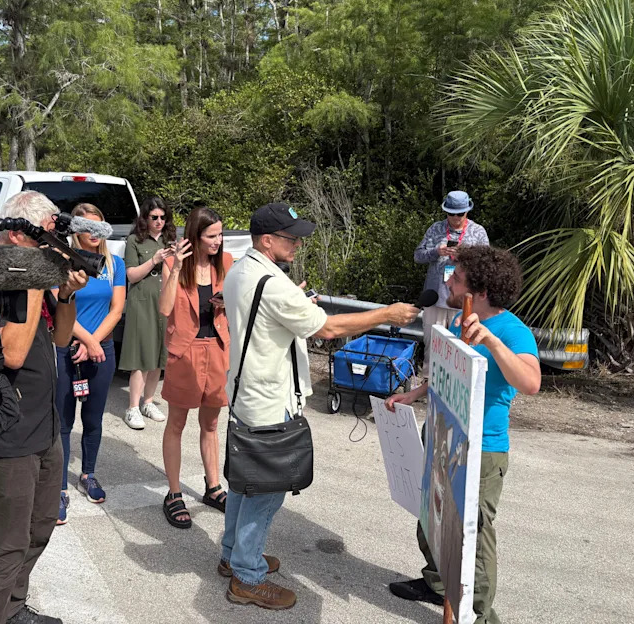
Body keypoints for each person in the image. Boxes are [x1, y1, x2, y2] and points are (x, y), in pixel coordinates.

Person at [221, 202, 419, 610]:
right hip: (269, 400)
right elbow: (328, 328)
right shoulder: (271, 283)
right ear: (267, 240)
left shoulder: (242, 271)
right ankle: (246, 575)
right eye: (290, 238)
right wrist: (387, 314)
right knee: (266, 490)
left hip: (246, 393)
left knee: (245, 481)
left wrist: (294, 300)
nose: (297, 243)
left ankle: (233, 555)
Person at [386, 246, 540, 624]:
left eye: (455, 277)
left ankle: (478, 614)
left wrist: (490, 341)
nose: (447, 281)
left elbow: (531, 382)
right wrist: (416, 393)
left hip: (482, 450)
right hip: (442, 434)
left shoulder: (512, 331)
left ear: (481, 292)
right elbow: (444, 371)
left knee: (474, 537)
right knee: (432, 517)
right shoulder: (458, 320)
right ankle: (438, 583)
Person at [0, 191, 88, 624]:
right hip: (9, 428)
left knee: (39, 529)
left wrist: (67, 294)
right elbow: (14, 355)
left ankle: (14, 610)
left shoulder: (30, 270)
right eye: (49, 231)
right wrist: (41, 276)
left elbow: (59, 341)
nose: (55, 238)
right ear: (23, 232)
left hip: (44, 422)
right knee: (7, 545)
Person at [158, 206, 234, 528]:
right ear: (195, 236)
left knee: (212, 424)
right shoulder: (172, 263)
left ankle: (213, 487)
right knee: (177, 423)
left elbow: (239, 305)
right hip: (184, 351)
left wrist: (227, 301)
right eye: (211, 236)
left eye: (220, 235)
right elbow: (164, 309)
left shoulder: (227, 264)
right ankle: (174, 493)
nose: (218, 242)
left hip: (217, 348)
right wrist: (175, 268)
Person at [54, 203, 125, 523]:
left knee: (94, 419)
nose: (94, 235)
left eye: (99, 228)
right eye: (87, 227)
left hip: (101, 352)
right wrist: (87, 340)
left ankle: (88, 474)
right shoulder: (61, 262)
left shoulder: (115, 264)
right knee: (63, 422)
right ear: (75, 230)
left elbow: (116, 309)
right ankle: (58, 488)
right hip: (67, 349)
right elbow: (59, 301)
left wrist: (95, 342)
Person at [414, 191, 489, 374]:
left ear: (467, 212)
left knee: (461, 348)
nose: (455, 218)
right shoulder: (435, 229)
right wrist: (436, 252)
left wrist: (465, 255)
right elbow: (418, 256)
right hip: (436, 298)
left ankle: (458, 385)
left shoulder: (478, 232)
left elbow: (487, 263)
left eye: (460, 214)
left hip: (463, 301)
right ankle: (428, 384)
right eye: (451, 213)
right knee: (432, 345)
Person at [119, 196, 176, 429]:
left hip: (164, 300)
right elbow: (131, 275)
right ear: (145, 218)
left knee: (159, 356)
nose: (159, 221)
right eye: (154, 217)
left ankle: (148, 401)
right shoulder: (134, 240)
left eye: (163, 217)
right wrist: (154, 259)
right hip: (142, 301)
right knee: (141, 356)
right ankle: (132, 407)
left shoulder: (169, 239)